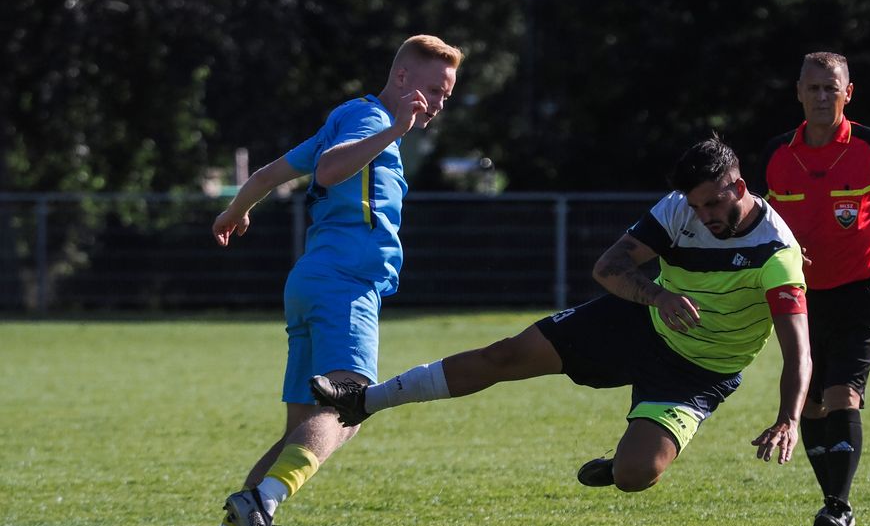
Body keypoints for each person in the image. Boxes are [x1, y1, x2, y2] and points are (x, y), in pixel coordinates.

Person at [310, 136, 812, 495]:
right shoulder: (679, 210)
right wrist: (658, 298)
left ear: (740, 188)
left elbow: (798, 350)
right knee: (504, 355)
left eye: (712, 205)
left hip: (699, 371)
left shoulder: (777, 252)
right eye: (696, 207)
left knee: (634, 477)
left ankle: (620, 462)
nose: (703, 218)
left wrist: (788, 419)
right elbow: (609, 267)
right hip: (639, 323)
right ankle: (365, 401)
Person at [197, 35, 464, 526]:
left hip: (312, 283)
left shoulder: (349, 117)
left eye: (445, 98)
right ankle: (263, 503)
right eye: (432, 91)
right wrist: (395, 129)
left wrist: (235, 211)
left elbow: (272, 173)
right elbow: (329, 170)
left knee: (302, 429)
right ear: (403, 78)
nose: (436, 105)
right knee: (350, 406)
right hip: (343, 285)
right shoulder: (373, 121)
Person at [762, 51, 870, 526]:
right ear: (798, 92)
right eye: (812, 88)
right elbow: (761, 229)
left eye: (830, 88)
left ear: (848, 92)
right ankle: (833, 499)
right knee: (813, 403)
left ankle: (838, 507)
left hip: (863, 292)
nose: (821, 96)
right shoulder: (777, 155)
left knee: (843, 395)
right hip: (798, 299)